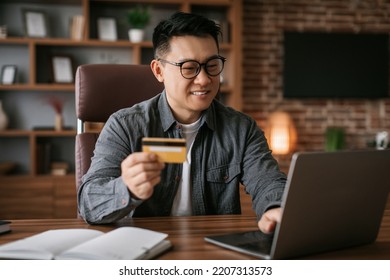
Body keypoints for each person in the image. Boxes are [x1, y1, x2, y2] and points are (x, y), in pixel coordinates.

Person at [78, 12, 287, 234]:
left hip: (211, 249)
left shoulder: (241, 128)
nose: (204, 79)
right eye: (189, 68)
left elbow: (269, 182)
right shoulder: (125, 125)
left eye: (212, 65)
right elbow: (89, 204)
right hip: (145, 251)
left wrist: (276, 208)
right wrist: (126, 188)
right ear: (159, 71)